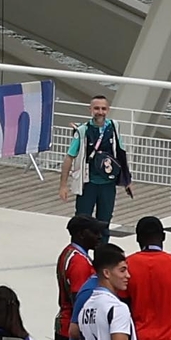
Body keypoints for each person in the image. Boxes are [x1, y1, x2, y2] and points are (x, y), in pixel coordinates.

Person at [57, 100, 128, 240]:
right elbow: (69, 157)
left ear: (108, 110)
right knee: (82, 223)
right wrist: (63, 185)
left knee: (104, 223)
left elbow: (121, 153)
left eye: (103, 108)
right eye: (96, 108)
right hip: (87, 183)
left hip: (108, 184)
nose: (100, 112)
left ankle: (101, 258)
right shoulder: (83, 131)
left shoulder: (114, 127)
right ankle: (79, 255)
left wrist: (127, 180)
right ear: (90, 109)